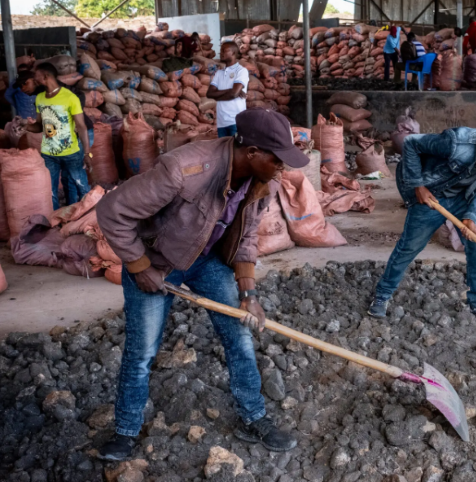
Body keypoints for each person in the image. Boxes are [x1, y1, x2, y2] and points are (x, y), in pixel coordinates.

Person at [95, 108, 308, 461]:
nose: (283, 167)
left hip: (203, 261)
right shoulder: (184, 168)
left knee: (239, 332)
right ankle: (125, 432)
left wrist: (248, 292)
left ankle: (253, 417)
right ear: (252, 153)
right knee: (142, 351)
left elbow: (246, 237)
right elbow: (111, 211)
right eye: (278, 159)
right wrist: (140, 266)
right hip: (156, 261)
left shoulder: (263, 182)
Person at [367, 119, 476, 324]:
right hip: (430, 194)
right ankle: (382, 294)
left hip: (463, 197)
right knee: (410, 246)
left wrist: (471, 215)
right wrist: (418, 185)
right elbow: (411, 143)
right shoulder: (458, 142)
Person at [25, 63, 91, 210]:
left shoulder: (70, 98)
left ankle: (87, 216)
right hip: (48, 154)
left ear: (45, 76)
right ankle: (56, 221)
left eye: (35, 75)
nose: (33, 79)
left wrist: (87, 152)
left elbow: (81, 126)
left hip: (71, 153)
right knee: (50, 191)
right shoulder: (40, 98)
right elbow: (39, 125)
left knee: (81, 187)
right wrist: (25, 126)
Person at [207, 42, 249, 138]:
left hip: (236, 121)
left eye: (224, 51)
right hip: (221, 122)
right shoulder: (219, 73)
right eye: (221, 50)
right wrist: (229, 90)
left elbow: (234, 94)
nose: (220, 53)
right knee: (223, 151)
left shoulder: (241, 71)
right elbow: (209, 94)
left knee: (236, 151)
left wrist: (218, 96)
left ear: (233, 53)